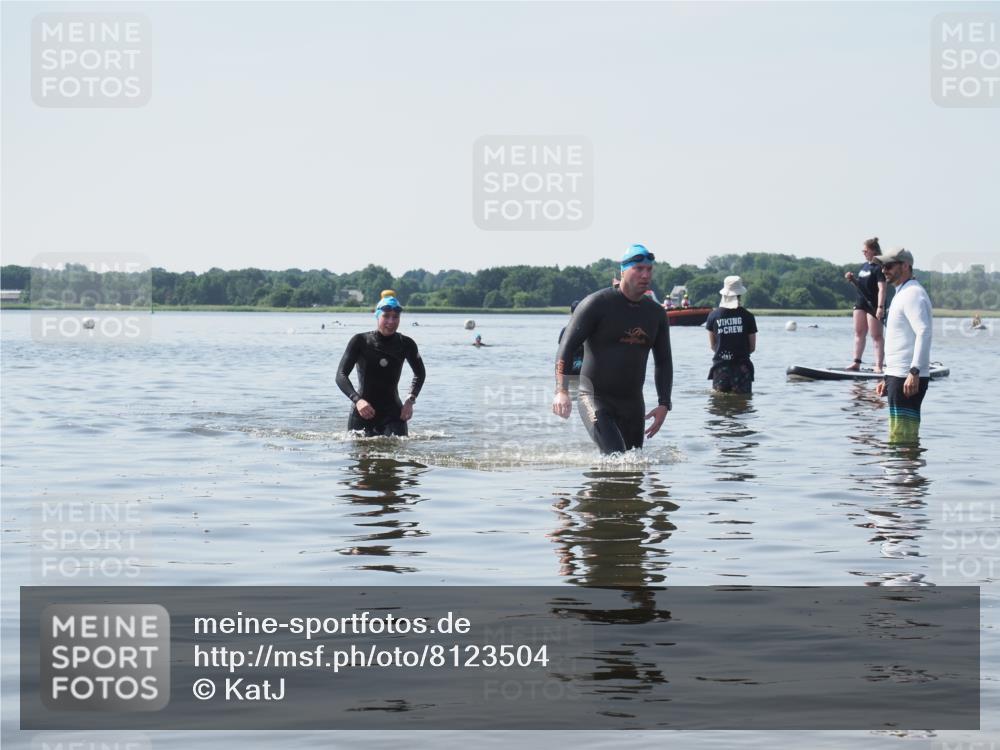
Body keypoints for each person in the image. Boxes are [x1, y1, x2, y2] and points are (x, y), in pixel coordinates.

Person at [552, 244, 673, 454]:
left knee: (633, 465)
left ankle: (592, 488)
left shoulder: (655, 313)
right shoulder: (596, 304)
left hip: (633, 403)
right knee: (616, 457)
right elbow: (567, 347)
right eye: (639, 269)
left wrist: (664, 404)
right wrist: (562, 391)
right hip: (593, 397)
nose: (645, 275)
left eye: (649, 269)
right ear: (623, 271)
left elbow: (663, 360)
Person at [336, 296, 425, 437]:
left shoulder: (406, 344)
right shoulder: (360, 341)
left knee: (399, 455)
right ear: (377, 316)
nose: (391, 321)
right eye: (386, 316)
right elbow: (340, 375)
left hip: (394, 413)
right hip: (363, 412)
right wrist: (357, 400)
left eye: (395, 317)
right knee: (360, 456)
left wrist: (410, 401)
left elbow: (420, 373)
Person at [872, 248, 932, 445]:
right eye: (882, 267)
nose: (884, 270)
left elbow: (923, 332)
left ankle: (908, 474)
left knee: (903, 439)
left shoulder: (913, 293)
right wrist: (887, 376)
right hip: (897, 376)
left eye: (888, 266)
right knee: (898, 435)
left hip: (908, 377)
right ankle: (899, 474)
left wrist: (914, 371)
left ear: (905, 266)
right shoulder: (902, 293)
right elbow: (899, 339)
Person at [705, 276, 758, 394]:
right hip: (742, 368)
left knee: (719, 405)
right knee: (743, 406)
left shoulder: (713, 316)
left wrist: (726, 356)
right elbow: (752, 347)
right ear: (740, 295)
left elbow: (713, 346)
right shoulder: (748, 316)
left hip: (720, 368)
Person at [844, 237, 887, 371]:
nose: (863, 253)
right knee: (859, 333)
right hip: (860, 303)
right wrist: (852, 280)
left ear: (873, 251)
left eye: (865, 251)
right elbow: (862, 286)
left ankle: (879, 366)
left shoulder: (879, 267)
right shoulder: (864, 266)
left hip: (873, 305)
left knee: (876, 336)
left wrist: (880, 307)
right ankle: (856, 363)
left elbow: (882, 289)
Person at [557, 300, 585, 375]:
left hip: (568, 366)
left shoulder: (565, 330)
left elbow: (561, 350)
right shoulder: (588, 329)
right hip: (582, 366)